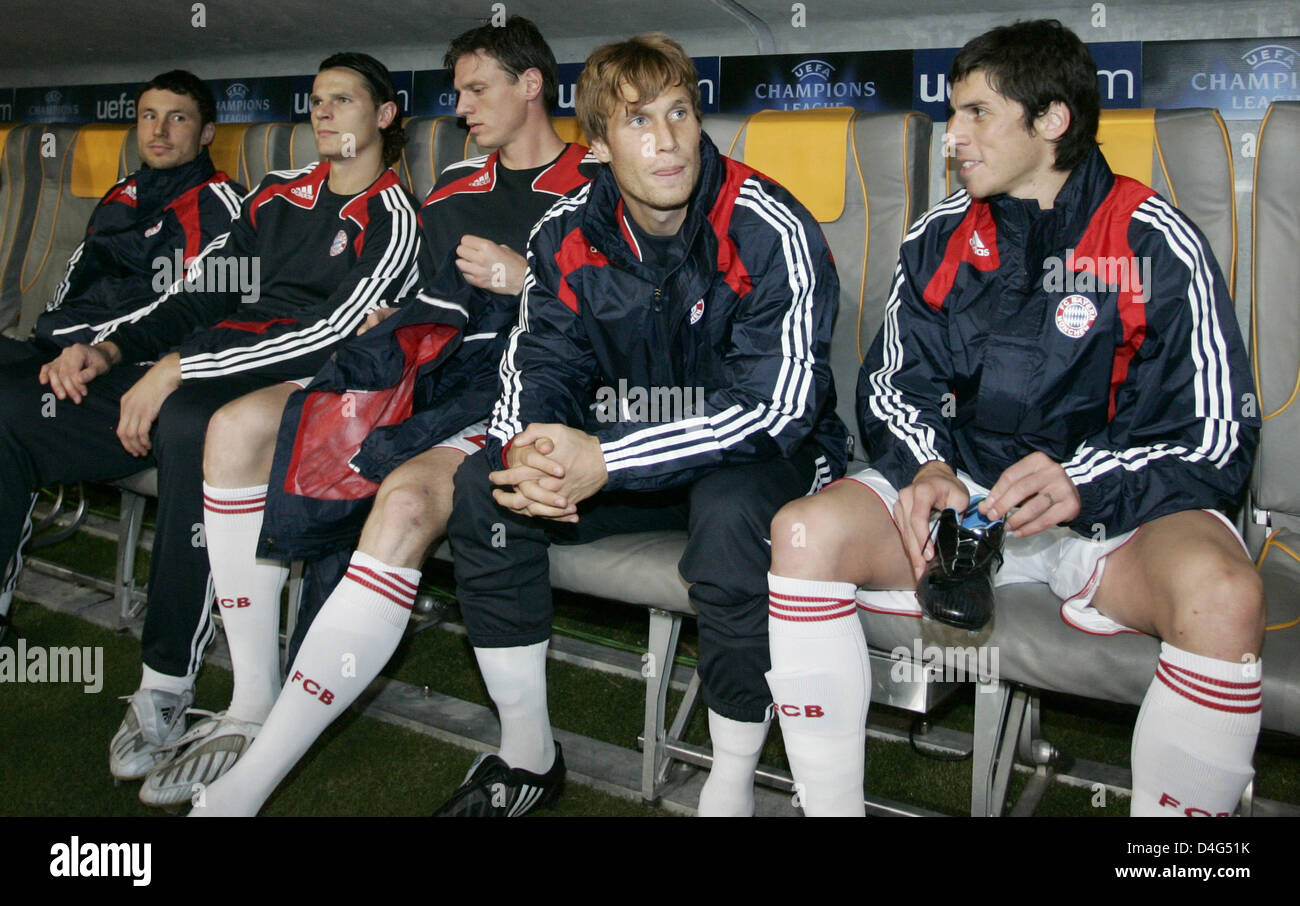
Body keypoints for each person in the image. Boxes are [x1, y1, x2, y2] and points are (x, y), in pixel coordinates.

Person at [766, 19, 1262, 817]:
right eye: (951, 114)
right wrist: (927, 466)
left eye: (976, 114)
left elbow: (1215, 433)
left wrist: (1084, 481)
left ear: (1052, 120)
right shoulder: (939, 238)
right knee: (802, 532)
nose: (953, 135)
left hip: (1111, 511)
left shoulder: (1153, 239)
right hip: (964, 500)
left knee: (1224, 594)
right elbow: (894, 385)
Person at [177, 17, 598, 815]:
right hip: (439, 376)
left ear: (532, 85)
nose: (463, 105)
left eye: (479, 89)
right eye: (460, 90)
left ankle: (244, 788)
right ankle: (253, 699)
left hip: (542, 395)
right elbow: (421, 298)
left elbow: (625, 319)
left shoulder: (596, 185)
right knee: (251, 426)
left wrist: (527, 279)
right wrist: (396, 321)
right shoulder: (451, 193)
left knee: (404, 497)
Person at [436, 33, 846, 818]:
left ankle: (729, 778)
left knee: (730, 517)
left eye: (679, 114)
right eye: (636, 123)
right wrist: (533, 447)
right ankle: (527, 756)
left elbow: (779, 407)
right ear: (597, 144)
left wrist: (608, 461)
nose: (665, 142)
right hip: (627, 451)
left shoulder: (766, 222)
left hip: (757, 455)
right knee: (485, 490)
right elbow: (538, 362)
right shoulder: (565, 232)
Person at [0, 51, 420, 788]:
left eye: (344, 100)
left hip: (284, 390)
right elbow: (201, 292)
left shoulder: (393, 216)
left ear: (384, 116)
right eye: (317, 100)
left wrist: (180, 370)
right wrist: (114, 349)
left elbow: (334, 330)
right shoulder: (278, 194)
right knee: (12, 413)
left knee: (193, 424)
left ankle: (165, 683)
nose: (323, 112)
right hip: (196, 367)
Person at [0, 70, 243, 646]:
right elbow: (73, 284)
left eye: (178, 117)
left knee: (8, 410)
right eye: (148, 116)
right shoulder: (122, 194)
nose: (158, 130)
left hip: (129, 371)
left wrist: (89, 349)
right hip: (62, 349)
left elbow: (184, 310)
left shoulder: (222, 205)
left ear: (207, 131)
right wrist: (54, 338)